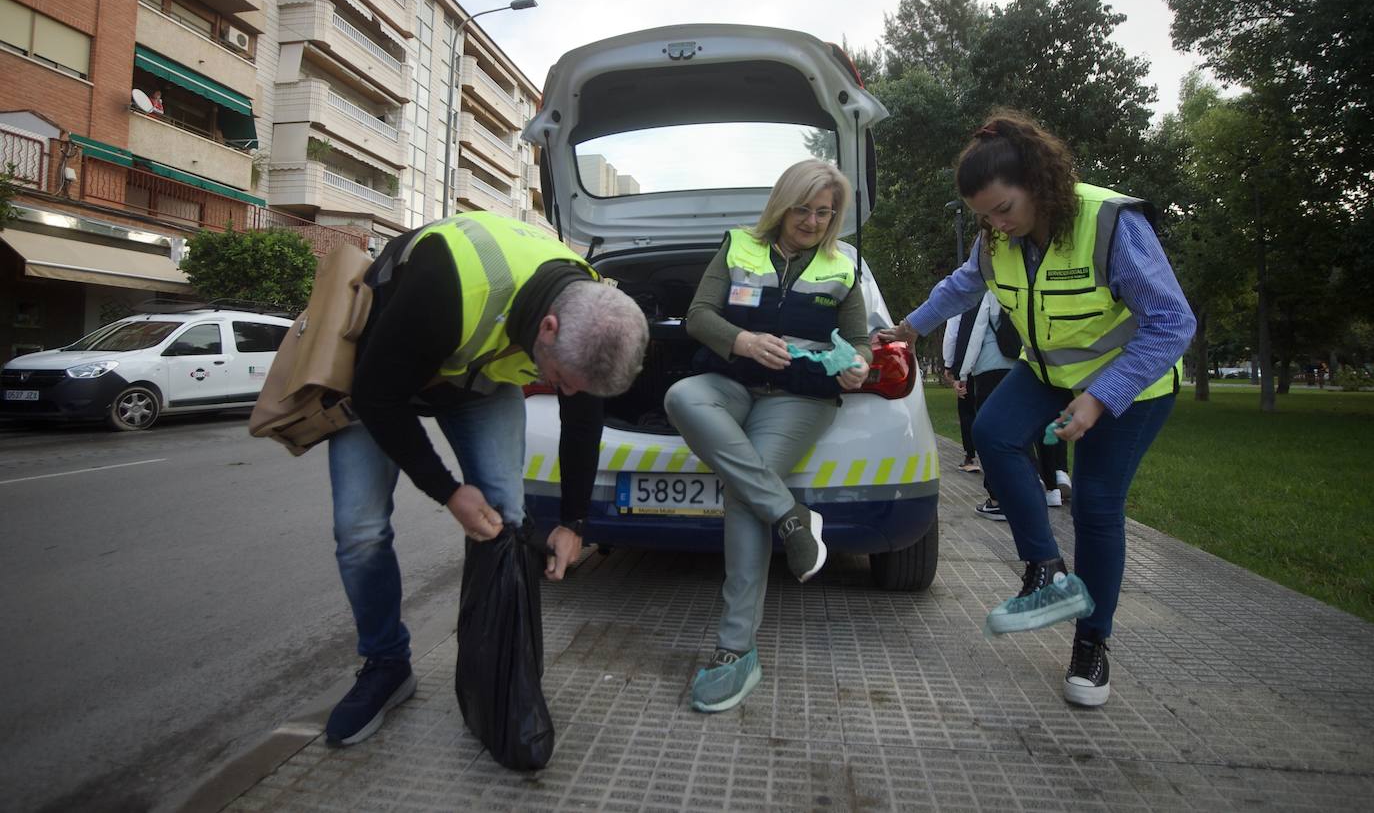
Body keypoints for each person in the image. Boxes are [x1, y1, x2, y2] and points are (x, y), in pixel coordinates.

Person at [877, 110, 1195, 707]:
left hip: (1132, 383)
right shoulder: (997, 236)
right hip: (1049, 371)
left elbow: (1174, 323)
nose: (996, 224)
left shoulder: (1109, 224)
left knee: (1097, 506)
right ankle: (1045, 571)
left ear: (1038, 181)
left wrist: (1101, 398)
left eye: (1003, 209)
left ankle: (1091, 645)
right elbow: (964, 284)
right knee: (994, 433)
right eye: (984, 216)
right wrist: (908, 327)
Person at [324, 211, 649, 746]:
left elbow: (582, 420)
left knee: (505, 516)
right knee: (359, 530)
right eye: (560, 380)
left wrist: (574, 522)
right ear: (549, 328)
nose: (565, 392)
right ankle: (386, 664)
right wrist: (448, 492)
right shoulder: (446, 284)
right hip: (383, 370)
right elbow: (378, 398)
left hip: (476, 382)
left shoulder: (591, 320)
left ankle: (493, 669)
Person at [664, 159, 871, 713]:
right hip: (735, 382)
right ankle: (790, 516)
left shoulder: (844, 264)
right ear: (783, 204)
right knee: (682, 395)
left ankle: (736, 650)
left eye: (823, 212)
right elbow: (698, 316)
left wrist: (859, 366)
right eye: (802, 208)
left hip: (801, 397)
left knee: (742, 496)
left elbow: (859, 341)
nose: (811, 221)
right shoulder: (738, 246)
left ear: (834, 215)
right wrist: (745, 342)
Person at [952, 291, 1020, 521]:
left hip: (988, 369)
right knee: (1016, 433)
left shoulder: (991, 292)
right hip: (1020, 369)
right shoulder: (1022, 288)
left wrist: (963, 373)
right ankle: (1023, 494)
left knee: (989, 433)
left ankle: (996, 499)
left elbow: (977, 333)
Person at [943, 305, 981, 473]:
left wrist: (949, 363)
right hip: (993, 362)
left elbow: (952, 334)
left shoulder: (962, 301)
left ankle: (970, 456)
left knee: (967, 410)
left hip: (967, 363)